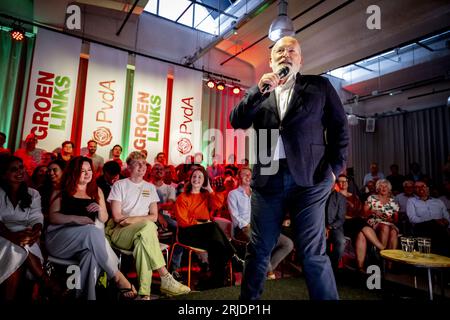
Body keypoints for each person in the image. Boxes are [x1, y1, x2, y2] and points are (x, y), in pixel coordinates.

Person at [230, 36, 349, 300]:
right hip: (267, 180)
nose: (285, 54)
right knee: (259, 249)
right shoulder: (260, 90)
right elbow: (236, 120)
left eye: (291, 50)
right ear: (271, 60)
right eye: (279, 51)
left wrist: (333, 171)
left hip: (309, 179)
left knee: (312, 252)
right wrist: (257, 92)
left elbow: (340, 128)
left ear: (300, 59)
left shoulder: (319, 86)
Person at [45, 156, 136, 300]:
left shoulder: (96, 190)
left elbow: (104, 218)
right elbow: (53, 217)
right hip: (59, 240)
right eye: (83, 171)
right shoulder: (61, 189)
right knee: (91, 230)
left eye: (90, 170)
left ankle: (85, 296)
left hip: (85, 243)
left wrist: (100, 209)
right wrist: (75, 219)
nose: (88, 173)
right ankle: (117, 276)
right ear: (74, 172)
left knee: (91, 256)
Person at [106, 151, 190, 300]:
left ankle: (144, 293)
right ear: (129, 167)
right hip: (120, 232)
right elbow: (117, 217)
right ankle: (165, 277)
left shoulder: (150, 188)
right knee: (149, 227)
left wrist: (133, 219)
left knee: (142, 242)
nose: (142, 166)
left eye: (144, 163)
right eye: (137, 163)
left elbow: (154, 216)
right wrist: (141, 220)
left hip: (140, 233)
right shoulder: (120, 185)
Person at [0, 155, 61, 301]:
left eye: (21, 167)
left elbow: (36, 217)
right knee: (20, 250)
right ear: (4, 174)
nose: (20, 172)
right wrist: (13, 237)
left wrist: (36, 232)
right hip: (3, 235)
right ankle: (46, 282)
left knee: (20, 252)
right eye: (14, 169)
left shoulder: (33, 193)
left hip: (27, 235)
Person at [174, 167, 239, 289]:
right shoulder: (183, 197)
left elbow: (217, 205)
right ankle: (232, 255)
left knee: (217, 246)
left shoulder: (206, 195)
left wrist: (209, 188)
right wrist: (201, 222)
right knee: (212, 226)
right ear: (190, 179)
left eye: (200, 177)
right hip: (187, 233)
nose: (196, 179)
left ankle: (216, 281)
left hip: (206, 233)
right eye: (194, 176)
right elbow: (183, 221)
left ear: (205, 180)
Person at [228, 167, 294, 279]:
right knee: (263, 242)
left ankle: (264, 271)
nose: (248, 176)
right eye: (244, 174)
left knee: (288, 244)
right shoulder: (233, 194)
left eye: (250, 174)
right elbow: (235, 217)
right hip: (243, 229)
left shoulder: (258, 193)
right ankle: (269, 274)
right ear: (238, 177)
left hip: (261, 228)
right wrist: (247, 225)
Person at [407, 181, 449, 256]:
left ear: (427, 188)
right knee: (435, 228)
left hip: (441, 227)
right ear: (414, 190)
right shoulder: (411, 201)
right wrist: (433, 220)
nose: (420, 188)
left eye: (423, 186)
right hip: (421, 227)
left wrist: (447, 223)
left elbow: (447, 216)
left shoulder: (438, 201)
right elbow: (412, 218)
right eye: (417, 187)